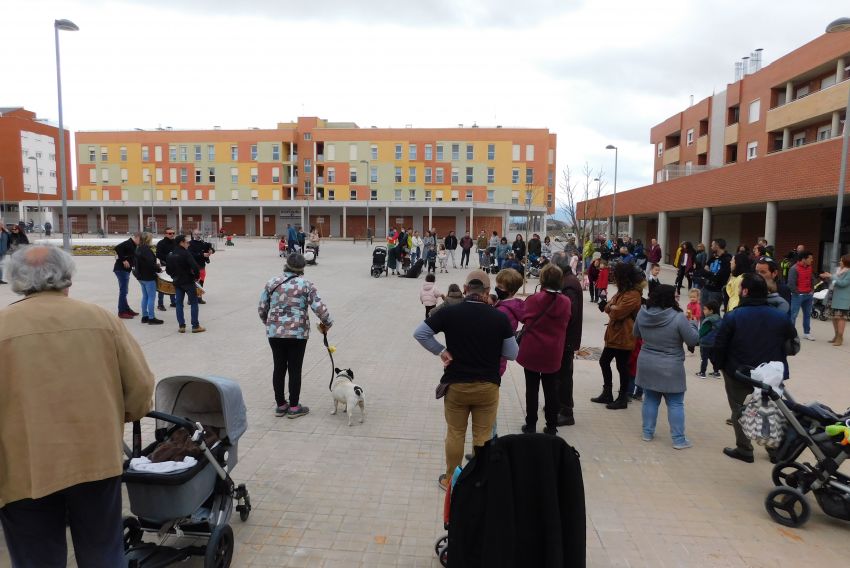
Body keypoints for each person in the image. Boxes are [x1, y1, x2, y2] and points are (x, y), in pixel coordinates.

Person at [0, 245, 154, 567]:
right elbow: (140, 387)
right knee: (103, 552)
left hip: (23, 468)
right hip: (95, 460)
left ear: (16, 281)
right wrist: (124, 415)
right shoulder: (100, 319)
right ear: (67, 278)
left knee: (35, 559)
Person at [413, 270, 518, 490]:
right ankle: (479, 480)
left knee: (455, 432)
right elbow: (512, 353)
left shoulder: (450, 313)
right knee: (483, 435)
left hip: (456, 386)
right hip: (487, 387)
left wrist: (441, 351)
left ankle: (452, 479)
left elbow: (420, 333)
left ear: (465, 289)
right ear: (488, 292)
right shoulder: (499, 318)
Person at [713, 273, 798, 463]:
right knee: (769, 409)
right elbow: (794, 346)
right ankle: (774, 450)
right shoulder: (780, 317)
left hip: (738, 372)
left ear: (744, 291)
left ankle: (744, 448)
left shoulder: (733, 316)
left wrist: (719, 366)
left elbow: (719, 345)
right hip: (770, 374)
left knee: (739, 409)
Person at [259, 252, 333, 419]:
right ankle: (293, 407)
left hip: (274, 332)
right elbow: (319, 308)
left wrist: (269, 323)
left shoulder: (272, 282)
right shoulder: (306, 285)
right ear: (302, 268)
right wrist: (327, 323)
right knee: (294, 368)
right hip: (298, 333)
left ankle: (280, 405)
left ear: (286, 264)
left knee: (279, 367)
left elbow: (262, 307)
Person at [633, 284, 700, 449]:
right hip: (671, 366)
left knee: (650, 399)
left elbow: (636, 334)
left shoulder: (643, 312)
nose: (678, 298)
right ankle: (678, 440)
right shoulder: (678, 317)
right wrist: (692, 323)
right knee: (675, 403)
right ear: (669, 298)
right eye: (676, 296)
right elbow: (693, 340)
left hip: (647, 361)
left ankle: (647, 433)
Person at [517, 265, 571, 436]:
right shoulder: (566, 302)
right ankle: (552, 426)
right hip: (553, 352)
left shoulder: (534, 299)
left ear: (542, 280)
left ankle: (531, 425)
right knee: (551, 389)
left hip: (532, 350)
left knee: (531, 389)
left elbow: (523, 317)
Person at [594, 263, 644, 409]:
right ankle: (607, 393)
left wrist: (608, 307)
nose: (614, 278)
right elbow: (611, 305)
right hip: (615, 334)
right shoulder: (623, 291)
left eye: (616, 276)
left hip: (625, 336)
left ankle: (622, 397)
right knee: (604, 361)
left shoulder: (633, 294)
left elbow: (617, 311)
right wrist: (610, 306)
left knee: (622, 366)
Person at [551, 252, 583, 426]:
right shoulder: (567, 280)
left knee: (563, 376)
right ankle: (557, 404)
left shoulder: (568, 284)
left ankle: (566, 410)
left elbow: (569, 313)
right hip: (564, 338)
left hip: (566, 339)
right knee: (559, 374)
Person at [166, 235, 205, 333]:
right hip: (188, 281)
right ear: (181, 243)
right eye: (187, 242)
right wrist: (196, 277)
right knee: (194, 303)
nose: (188, 244)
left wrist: (174, 276)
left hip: (177, 282)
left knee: (179, 304)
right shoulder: (186, 253)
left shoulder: (171, 254)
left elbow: (168, 270)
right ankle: (195, 326)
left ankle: (181, 326)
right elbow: (195, 267)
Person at [494, 268, 526, 378]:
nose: (497, 289)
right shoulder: (512, 305)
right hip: (500, 358)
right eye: (497, 285)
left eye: (500, 287)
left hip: (495, 358)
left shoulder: (503, 311)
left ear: (511, 291)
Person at [134, 232, 164, 325]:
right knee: (151, 297)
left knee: (145, 297)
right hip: (148, 277)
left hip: (141, 276)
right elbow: (150, 264)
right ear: (147, 239)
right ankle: (151, 318)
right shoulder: (147, 250)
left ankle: (145, 316)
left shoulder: (138, 248)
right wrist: (158, 269)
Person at [820, 253, 850, 346]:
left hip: (842, 298)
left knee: (841, 317)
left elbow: (843, 284)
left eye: (841, 260)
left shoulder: (849, 272)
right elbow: (834, 281)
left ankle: (840, 337)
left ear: (846, 261)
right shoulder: (838, 270)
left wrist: (831, 276)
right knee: (834, 317)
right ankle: (836, 335)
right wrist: (827, 276)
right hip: (833, 297)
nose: (839, 262)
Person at [787, 250, 816, 340]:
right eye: (810, 258)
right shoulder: (794, 268)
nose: (812, 260)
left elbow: (812, 279)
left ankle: (807, 333)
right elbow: (791, 283)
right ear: (804, 259)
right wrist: (797, 292)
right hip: (798, 295)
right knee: (793, 315)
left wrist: (812, 290)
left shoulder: (809, 267)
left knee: (807, 314)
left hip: (808, 295)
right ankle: (791, 334)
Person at [114, 232, 140, 319]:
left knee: (125, 291)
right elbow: (117, 248)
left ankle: (127, 309)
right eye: (140, 239)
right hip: (121, 270)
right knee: (123, 291)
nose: (141, 242)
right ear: (136, 237)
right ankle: (121, 312)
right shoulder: (129, 243)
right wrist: (124, 260)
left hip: (125, 270)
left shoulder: (133, 245)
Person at [701, 238, 731, 309]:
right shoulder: (713, 257)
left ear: (717, 246)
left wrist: (709, 273)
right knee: (703, 311)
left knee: (713, 312)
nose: (711, 247)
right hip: (706, 288)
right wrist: (712, 274)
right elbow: (703, 271)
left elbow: (720, 277)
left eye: (712, 245)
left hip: (716, 291)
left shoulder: (727, 259)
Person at [696, 300, 722, 378]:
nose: (703, 311)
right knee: (714, 358)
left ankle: (702, 372)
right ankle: (716, 372)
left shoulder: (708, 320)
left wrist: (696, 340)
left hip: (706, 343)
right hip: (715, 343)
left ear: (711, 311)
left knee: (704, 359)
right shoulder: (719, 319)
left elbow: (702, 332)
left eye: (705, 309)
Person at [188, 231, 214, 304]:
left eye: (199, 234)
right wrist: (202, 254)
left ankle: (199, 297)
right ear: (193, 235)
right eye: (196, 234)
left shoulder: (203, 243)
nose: (198, 235)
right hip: (192, 266)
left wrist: (211, 250)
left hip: (202, 266)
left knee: (201, 282)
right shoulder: (190, 243)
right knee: (192, 283)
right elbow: (190, 254)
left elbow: (211, 249)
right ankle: (190, 299)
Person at [156, 227, 178, 310]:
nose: (172, 235)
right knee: (163, 285)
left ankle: (173, 302)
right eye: (170, 233)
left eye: (173, 233)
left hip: (175, 266)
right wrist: (169, 257)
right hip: (164, 266)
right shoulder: (161, 243)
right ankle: (160, 304)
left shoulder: (176, 242)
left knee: (173, 283)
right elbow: (158, 254)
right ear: (165, 234)